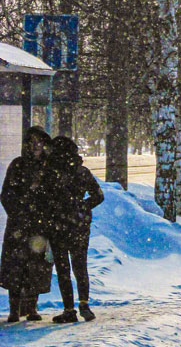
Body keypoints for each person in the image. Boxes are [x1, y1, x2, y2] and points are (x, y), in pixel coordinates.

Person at [44, 136, 103, 323]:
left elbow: (44, 198)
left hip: (58, 226)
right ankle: (84, 304)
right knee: (80, 267)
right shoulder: (82, 172)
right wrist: (83, 206)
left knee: (63, 269)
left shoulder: (51, 173)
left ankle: (69, 309)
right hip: (79, 226)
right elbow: (98, 196)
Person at [0, 126, 54, 322]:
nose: (36, 146)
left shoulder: (48, 167)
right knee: (16, 266)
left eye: (39, 142)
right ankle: (14, 308)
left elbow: (52, 195)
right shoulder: (17, 165)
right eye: (31, 142)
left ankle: (31, 307)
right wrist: (19, 213)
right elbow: (6, 194)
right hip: (19, 226)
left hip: (39, 227)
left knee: (37, 266)